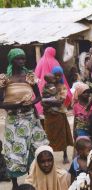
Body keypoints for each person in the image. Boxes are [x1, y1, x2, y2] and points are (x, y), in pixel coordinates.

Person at [0, 48, 49, 189]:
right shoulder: (5, 79)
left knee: (33, 148)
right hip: (13, 120)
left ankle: (30, 180)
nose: (21, 61)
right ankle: (15, 184)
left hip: (29, 119)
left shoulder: (30, 76)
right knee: (14, 151)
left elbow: (38, 97)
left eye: (23, 59)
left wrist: (31, 103)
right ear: (11, 60)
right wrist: (16, 105)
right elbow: (0, 102)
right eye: (18, 59)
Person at [43, 66, 74, 164]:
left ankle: (65, 155)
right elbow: (42, 99)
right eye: (55, 75)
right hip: (48, 115)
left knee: (62, 135)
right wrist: (49, 102)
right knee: (49, 135)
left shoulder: (62, 86)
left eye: (58, 75)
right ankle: (49, 156)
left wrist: (47, 101)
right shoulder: (46, 86)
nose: (56, 78)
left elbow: (60, 102)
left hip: (59, 114)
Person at [35, 47, 72, 115]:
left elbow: (36, 75)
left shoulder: (41, 61)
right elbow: (60, 74)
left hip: (43, 84)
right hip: (56, 85)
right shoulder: (55, 61)